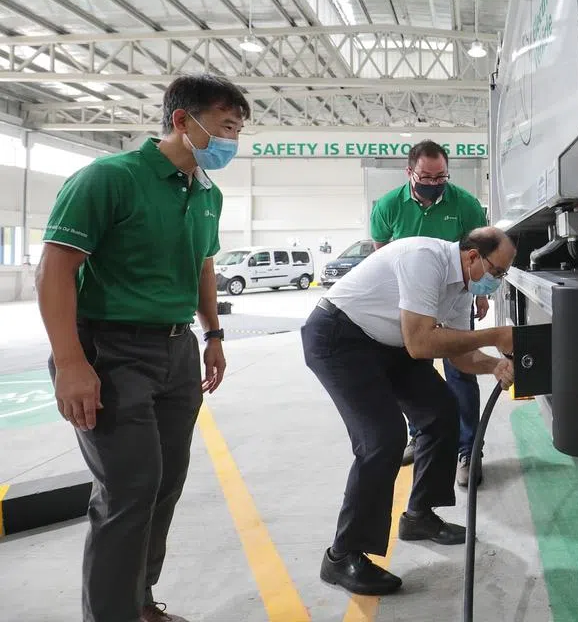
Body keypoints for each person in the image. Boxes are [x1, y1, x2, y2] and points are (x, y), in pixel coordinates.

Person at [36, 74, 250, 622]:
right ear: (182, 120)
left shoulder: (207, 193)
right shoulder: (110, 178)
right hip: (110, 350)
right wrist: (70, 363)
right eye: (226, 127)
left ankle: (139, 603)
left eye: (238, 130)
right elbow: (55, 269)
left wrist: (213, 334)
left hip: (176, 350)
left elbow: (203, 267)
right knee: (128, 491)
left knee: (163, 486)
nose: (232, 140)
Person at [303, 227, 516, 595]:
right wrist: (495, 335)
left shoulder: (462, 286)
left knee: (441, 412)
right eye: (496, 271)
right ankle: (341, 556)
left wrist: (493, 365)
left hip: (390, 343)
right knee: (382, 439)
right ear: (472, 256)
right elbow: (420, 343)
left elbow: (460, 354)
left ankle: (419, 516)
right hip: (340, 338)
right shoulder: (424, 259)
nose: (496, 281)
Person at [370, 140, 490, 487]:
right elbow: (381, 255)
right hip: (410, 302)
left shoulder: (465, 205)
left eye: (441, 177)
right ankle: (419, 435)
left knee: (461, 372)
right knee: (411, 372)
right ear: (410, 172)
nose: (435, 184)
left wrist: (481, 294)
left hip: (454, 297)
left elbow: (478, 255)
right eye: (427, 177)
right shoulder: (388, 206)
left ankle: (469, 451)